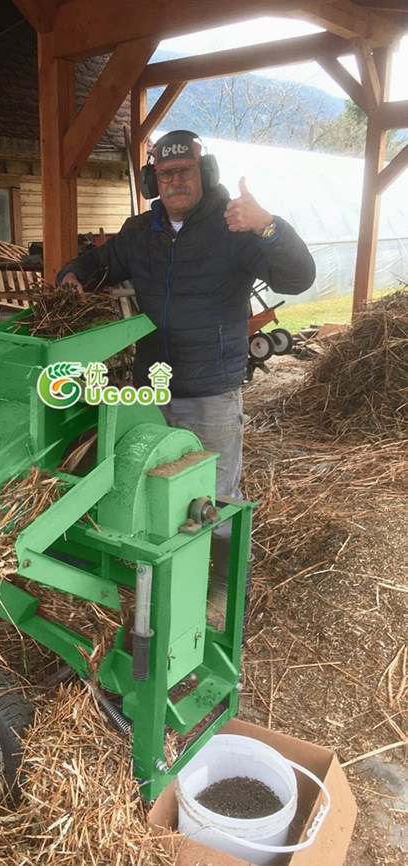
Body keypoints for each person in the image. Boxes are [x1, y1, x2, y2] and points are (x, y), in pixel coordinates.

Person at [57, 130, 316, 612]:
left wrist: (267, 226)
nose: (176, 181)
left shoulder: (234, 227)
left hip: (209, 390)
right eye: (165, 173)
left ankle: (219, 601)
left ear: (205, 173)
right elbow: (95, 262)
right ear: (153, 179)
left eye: (186, 172)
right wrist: (70, 275)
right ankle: (164, 593)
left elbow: (299, 278)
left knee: (214, 496)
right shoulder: (139, 232)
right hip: (149, 390)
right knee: (151, 485)